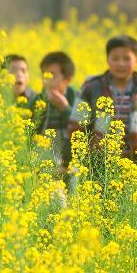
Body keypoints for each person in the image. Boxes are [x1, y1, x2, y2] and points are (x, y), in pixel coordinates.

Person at [66, 35, 137, 179]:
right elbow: (76, 128)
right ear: (107, 60)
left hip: (134, 166)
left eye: (127, 59)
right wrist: (75, 164)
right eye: (115, 58)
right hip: (97, 165)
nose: (121, 64)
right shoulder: (91, 88)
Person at [31, 51, 79, 188]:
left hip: (70, 163)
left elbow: (83, 127)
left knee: (72, 199)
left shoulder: (76, 98)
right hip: (44, 163)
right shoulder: (37, 100)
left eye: (51, 75)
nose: (46, 80)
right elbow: (27, 128)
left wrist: (65, 108)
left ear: (67, 79)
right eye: (44, 75)